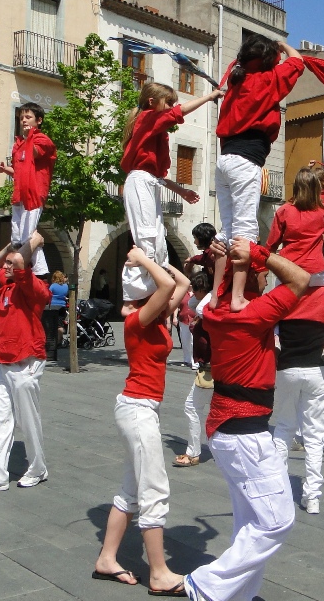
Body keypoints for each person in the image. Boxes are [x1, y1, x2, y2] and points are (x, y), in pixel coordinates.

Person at [183, 238, 310, 601]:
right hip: (245, 433)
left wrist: (232, 262)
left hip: (227, 430)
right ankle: (205, 584)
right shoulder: (253, 313)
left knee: (249, 523)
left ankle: (239, 595)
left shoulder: (217, 310)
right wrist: (260, 254)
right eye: (261, 276)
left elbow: (223, 284)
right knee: (276, 521)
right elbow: (301, 279)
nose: (267, 281)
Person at [94, 246, 190, 594]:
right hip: (137, 408)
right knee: (153, 488)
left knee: (132, 489)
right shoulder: (138, 320)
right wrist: (142, 261)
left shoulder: (156, 317)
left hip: (141, 407)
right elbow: (167, 287)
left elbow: (180, 283)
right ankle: (159, 573)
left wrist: (155, 258)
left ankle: (107, 558)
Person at [211, 35, 304, 312]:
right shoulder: (266, 80)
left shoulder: (236, 82)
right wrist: (282, 45)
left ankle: (217, 295)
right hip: (244, 162)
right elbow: (297, 61)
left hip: (224, 160)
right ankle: (237, 296)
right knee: (245, 232)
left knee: (227, 231)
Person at [121, 82, 222, 301]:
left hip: (148, 183)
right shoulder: (147, 118)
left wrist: (181, 191)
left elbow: (156, 176)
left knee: (157, 238)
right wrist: (209, 96)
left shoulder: (153, 129)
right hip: (140, 182)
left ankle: (153, 286)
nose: (171, 107)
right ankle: (137, 294)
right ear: (152, 102)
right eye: (168, 102)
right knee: (147, 236)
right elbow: (179, 113)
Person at [0, 233, 50, 493]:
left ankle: (38, 468)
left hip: (26, 363)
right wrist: (10, 245)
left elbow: (20, 263)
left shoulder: (34, 287)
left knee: (28, 421)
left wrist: (33, 243)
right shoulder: (7, 283)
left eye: (11, 263)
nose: (6, 265)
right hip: (4, 363)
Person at [272, 283, 324, 514]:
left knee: (284, 428)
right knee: (314, 435)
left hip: (286, 368)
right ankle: (312, 497)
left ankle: (278, 491)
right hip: (317, 369)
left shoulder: (282, 292)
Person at [266, 166, 324, 374]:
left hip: (289, 269)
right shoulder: (323, 213)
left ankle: (276, 336)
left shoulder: (283, 211)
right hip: (316, 270)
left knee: (276, 302)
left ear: (296, 187)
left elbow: (271, 243)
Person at [0, 102, 56, 277]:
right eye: (21, 117)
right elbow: (20, 169)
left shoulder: (42, 140)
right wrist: (5, 169)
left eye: (28, 117)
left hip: (34, 194)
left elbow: (34, 154)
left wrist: (28, 137)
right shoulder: (19, 144)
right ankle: (31, 269)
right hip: (20, 193)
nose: (23, 120)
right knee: (16, 239)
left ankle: (40, 271)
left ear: (39, 120)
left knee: (27, 236)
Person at [174, 273, 213, 468]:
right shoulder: (204, 308)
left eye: (196, 292)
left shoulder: (208, 310)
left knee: (192, 407)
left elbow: (196, 308)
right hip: (208, 367)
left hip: (210, 368)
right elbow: (191, 306)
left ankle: (194, 452)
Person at [48, 270, 69, 344]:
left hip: (53, 307)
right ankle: (60, 339)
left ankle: (55, 340)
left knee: (52, 324)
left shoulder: (53, 286)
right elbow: (65, 295)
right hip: (62, 306)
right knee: (60, 323)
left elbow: (48, 294)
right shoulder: (66, 286)